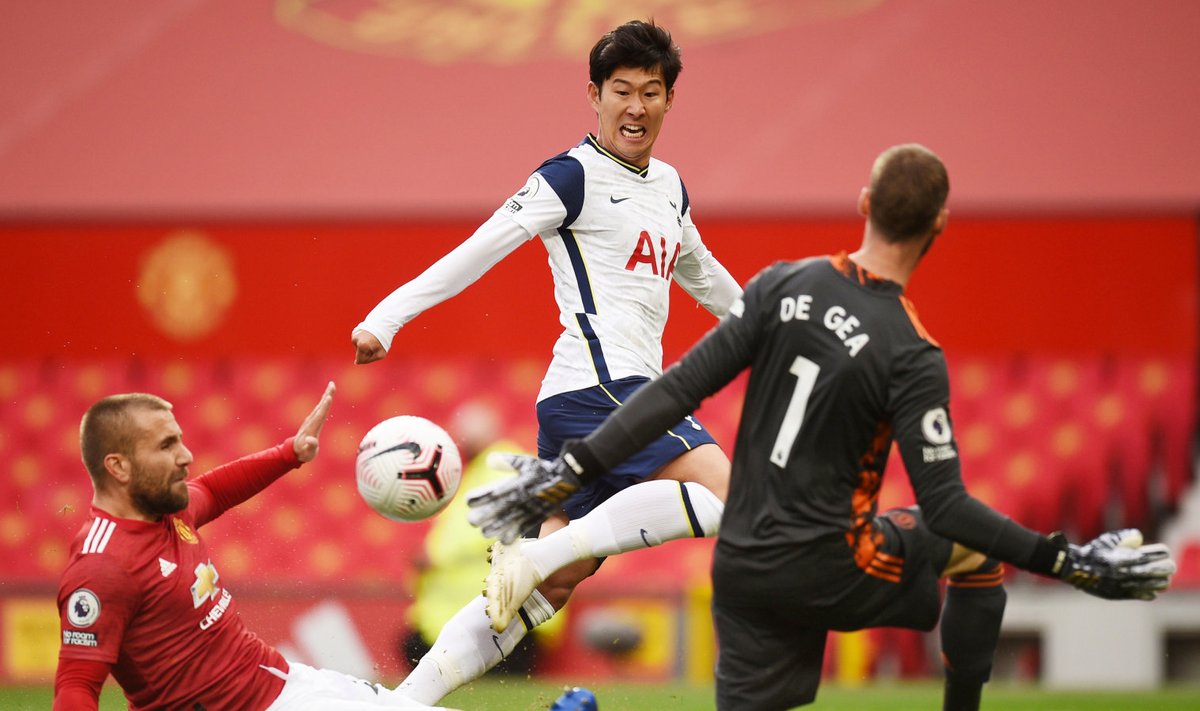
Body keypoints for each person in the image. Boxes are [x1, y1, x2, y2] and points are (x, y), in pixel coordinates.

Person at [466, 144, 1178, 711]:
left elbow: (675, 388)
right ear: (939, 227)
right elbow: (947, 506)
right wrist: (1067, 560)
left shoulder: (781, 286)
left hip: (743, 564)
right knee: (972, 555)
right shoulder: (912, 352)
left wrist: (567, 473)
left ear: (864, 205)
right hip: (832, 561)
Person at [352, 19, 739, 705]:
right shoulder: (572, 175)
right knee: (729, 495)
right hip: (602, 387)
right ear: (594, 93)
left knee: (542, 592)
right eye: (621, 90)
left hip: (598, 399)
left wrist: (772, 328)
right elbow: (483, 244)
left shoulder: (670, 188)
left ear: (669, 100)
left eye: (651, 92)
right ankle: (538, 550)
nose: (636, 106)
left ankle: (401, 700)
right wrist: (388, 316)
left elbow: (703, 274)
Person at [53, 382, 454, 711]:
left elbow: (213, 489)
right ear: (118, 466)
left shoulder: (166, 512)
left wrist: (289, 454)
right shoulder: (102, 566)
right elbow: (76, 685)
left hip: (282, 681)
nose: (185, 455)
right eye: (166, 446)